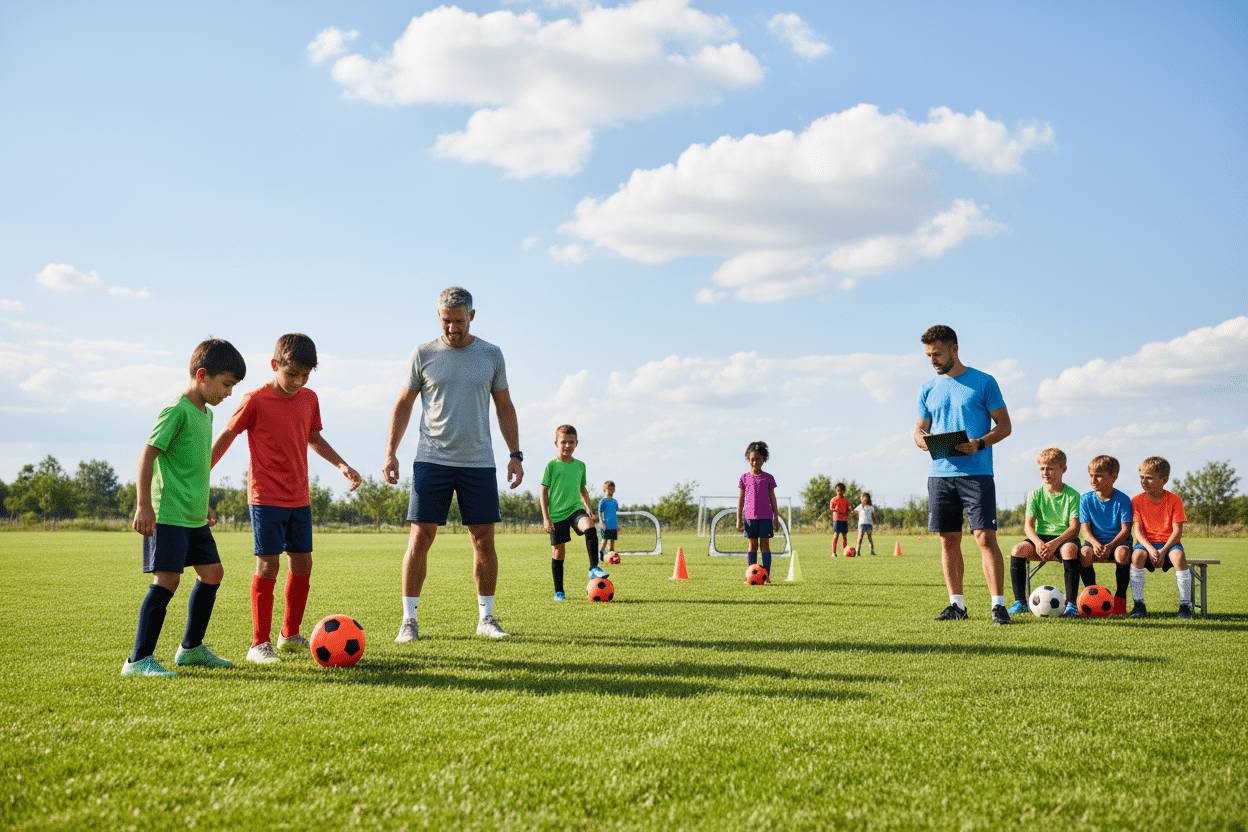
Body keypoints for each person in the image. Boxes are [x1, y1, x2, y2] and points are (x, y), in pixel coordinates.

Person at [211, 333, 362, 664]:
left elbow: (314, 437)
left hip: (299, 497)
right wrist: (201, 474)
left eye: (305, 375)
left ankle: (289, 635)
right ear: (274, 364)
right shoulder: (254, 400)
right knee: (269, 564)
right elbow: (226, 435)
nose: (298, 381)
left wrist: (342, 465)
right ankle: (258, 644)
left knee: (303, 562)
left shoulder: (309, 398)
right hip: (265, 497)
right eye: (292, 374)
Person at [383, 287, 523, 642]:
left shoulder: (491, 355)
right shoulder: (423, 353)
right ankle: (409, 622)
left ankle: (487, 619)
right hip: (432, 460)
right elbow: (403, 404)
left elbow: (505, 407)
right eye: (446, 321)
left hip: (478, 463)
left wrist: (515, 454)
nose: (451, 328)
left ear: (471, 316)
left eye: (458, 321)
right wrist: (390, 452)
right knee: (420, 537)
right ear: (439, 317)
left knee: (483, 541)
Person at [123, 339, 246, 676]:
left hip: (194, 516)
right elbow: (148, 456)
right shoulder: (177, 410)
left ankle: (191, 649)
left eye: (233, 387)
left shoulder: (204, 414)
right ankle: (138, 661)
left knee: (213, 574)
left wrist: (204, 504)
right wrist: (144, 506)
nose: (228, 394)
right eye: (226, 385)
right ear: (202, 374)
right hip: (168, 513)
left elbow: (195, 465)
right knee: (168, 580)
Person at [913, 325, 1012, 625]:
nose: (933, 360)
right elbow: (919, 431)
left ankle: (998, 606)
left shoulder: (984, 382)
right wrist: (923, 441)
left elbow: (1005, 425)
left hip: (977, 472)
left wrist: (980, 443)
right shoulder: (927, 388)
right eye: (929, 355)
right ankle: (957, 606)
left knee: (985, 537)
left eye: (938, 354)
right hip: (939, 474)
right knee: (948, 540)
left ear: (954, 349)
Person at [1007, 448, 1082, 617]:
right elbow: (1028, 526)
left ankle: (1071, 604)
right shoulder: (1035, 495)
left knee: (1069, 550)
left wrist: (1054, 543)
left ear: (1063, 469)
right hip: (1040, 539)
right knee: (1017, 550)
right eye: (1042, 468)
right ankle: (1020, 602)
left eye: (1050, 468)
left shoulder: (1073, 496)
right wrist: (1039, 542)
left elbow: (1074, 528)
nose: (1045, 472)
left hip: (1064, 538)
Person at [541, 425, 602, 600]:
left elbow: (582, 488)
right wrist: (546, 518)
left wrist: (588, 508)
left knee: (590, 528)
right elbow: (544, 492)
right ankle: (559, 591)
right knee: (559, 553)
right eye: (563, 442)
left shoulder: (580, 466)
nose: (567, 445)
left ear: (576, 443)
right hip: (557, 514)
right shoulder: (551, 465)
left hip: (576, 509)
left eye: (571, 442)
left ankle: (593, 568)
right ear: (556, 443)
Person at [1129, 456, 1193, 619]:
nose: (1144, 481)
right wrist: (1151, 549)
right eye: (1141, 477)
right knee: (1136, 555)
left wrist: (1163, 551)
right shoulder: (1136, 500)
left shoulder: (1175, 500)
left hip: (1169, 545)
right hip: (1146, 544)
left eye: (1149, 478)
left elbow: (1177, 531)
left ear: (1164, 480)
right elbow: (1138, 531)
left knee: (1178, 557)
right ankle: (1139, 605)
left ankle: (1185, 606)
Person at [1078, 455, 1133, 616]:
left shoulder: (1123, 500)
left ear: (1113, 477)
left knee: (1122, 554)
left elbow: (1125, 530)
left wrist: (1110, 546)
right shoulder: (1085, 499)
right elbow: (1085, 529)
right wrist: (1095, 544)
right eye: (1091, 475)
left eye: (1099, 476)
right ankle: (1092, 597)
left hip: (1117, 541)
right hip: (1094, 541)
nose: (1093, 479)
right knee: (1085, 553)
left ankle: (1120, 600)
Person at [737, 441, 781, 583]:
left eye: (758, 459)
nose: (755, 462)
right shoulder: (744, 478)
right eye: (752, 459)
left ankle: (766, 576)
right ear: (748, 460)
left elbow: (773, 498)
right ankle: (751, 576)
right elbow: (741, 499)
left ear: (764, 460)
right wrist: (739, 518)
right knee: (752, 546)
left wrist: (776, 517)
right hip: (749, 517)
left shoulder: (768, 478)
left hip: (766, 517)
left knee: (765, 546)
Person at [598, 480, 619, 560]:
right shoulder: (603, 501)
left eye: (612, 489)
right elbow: (600, 513)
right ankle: (600, 555)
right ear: (604, 490)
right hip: (606, 525)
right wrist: (602, 523)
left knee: (612, 542)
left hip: (613, 525)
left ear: (614, 490)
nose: (610, 490)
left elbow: (614, 513)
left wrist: (617, 524)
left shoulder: (615, 502)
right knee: (604, 541)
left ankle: (611, 557)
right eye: (608, 489)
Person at [828, 483, 849, 556]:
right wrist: (836, 510)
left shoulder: (846, 500)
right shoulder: (833, 499)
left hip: (844, 520)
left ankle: (845, 551)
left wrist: (848, 511)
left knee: (844, 537)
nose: (839, 492)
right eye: (837, 491)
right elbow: (831, 508)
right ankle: (834, 552)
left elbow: (847, 509)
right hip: (837, 520)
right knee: (836, 536)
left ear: (844, 491)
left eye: (841, 490)